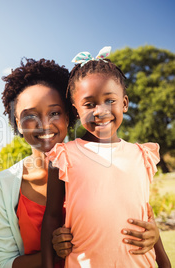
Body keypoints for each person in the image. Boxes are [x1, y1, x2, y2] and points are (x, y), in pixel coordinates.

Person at [0, 58, 163, 268]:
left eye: (54, 113)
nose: (44, 125)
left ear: (68, 115)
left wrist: (152, 234)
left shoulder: (94, 162)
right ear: (17, 121)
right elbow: (3, 263)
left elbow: (137, 210)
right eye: (30, 116)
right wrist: (53, 253)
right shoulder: (5, 184)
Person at [41, 47, 171, 267]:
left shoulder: (142, 155)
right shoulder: (64, 156)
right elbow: (52, 216)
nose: (100, 111)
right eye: (89, 104)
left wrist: (166, 264)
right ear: (76, 111)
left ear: (125, 103)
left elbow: (146, 217)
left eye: (110, 100)